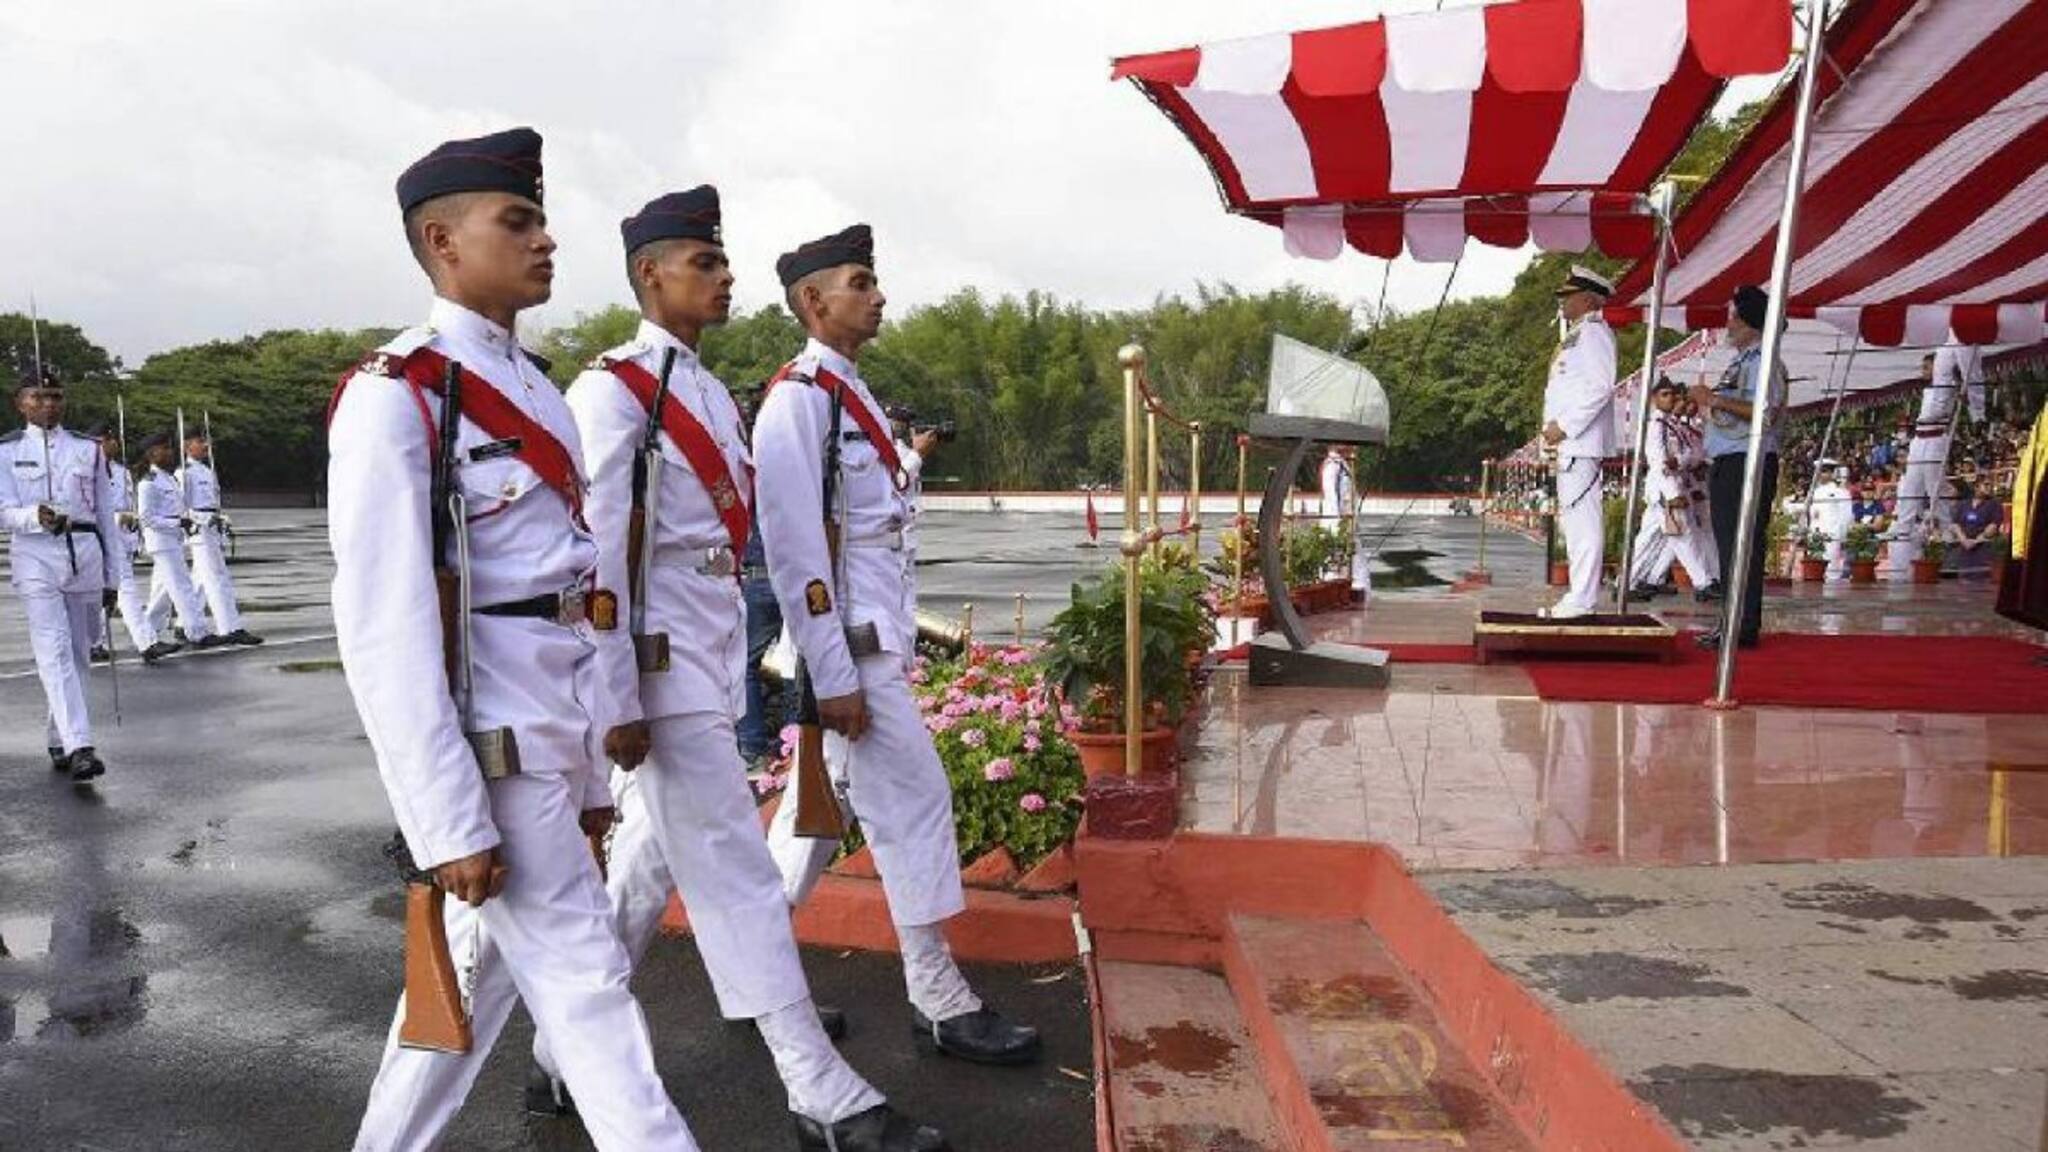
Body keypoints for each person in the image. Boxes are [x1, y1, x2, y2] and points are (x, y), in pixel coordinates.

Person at [534, 187, 944, 1152]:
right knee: (740, 879)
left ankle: (560, 1053)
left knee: (647, 866)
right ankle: (819, 1091)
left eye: (722, 262)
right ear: (650, 275)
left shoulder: (711, 395)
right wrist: (615, 696)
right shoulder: (612, 391)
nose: (724, 278)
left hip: (705, 664)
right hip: (657, 673)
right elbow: (601, 561)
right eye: (705, 263)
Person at [329, 126, 697, 1152]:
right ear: (442, 242)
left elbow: (575, 599)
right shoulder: (396, 396)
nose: (546, 239)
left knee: (468, 991)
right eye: (518, 219)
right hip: (491, 752)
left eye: (541, 218)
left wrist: (592, 774)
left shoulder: (536, 389)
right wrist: (444, 820)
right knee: (589, 993)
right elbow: (385, 630)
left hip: (553, 734)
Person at [755, 224, 1041, 1066]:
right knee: (916, 801)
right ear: (814, 300)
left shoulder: (853, 396)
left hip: (876, 639)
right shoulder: (798, 401)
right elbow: (797, 551)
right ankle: (937, 998)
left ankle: (753, 974)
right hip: (849, 651)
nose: (878, 296)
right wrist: (832, 670)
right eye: (860, 282)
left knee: (813, 824)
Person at [1, 367, 120, 782]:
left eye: (55, 397)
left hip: (84, 554)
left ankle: (59, 735)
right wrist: (34, 516)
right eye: (38, 397)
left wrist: (113, 577)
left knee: (79, 653)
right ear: (20, 404)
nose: (48, 404)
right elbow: (2, 511)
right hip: (35, 556)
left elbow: (105, 515)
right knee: (53, 650)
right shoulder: (7, 451)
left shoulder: (88, 449)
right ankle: (80, 745)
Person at [1688, 284, 1785, 650]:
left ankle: (1741, 624)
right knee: (1730, 546)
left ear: (1750, 323)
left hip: (1748, 458)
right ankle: (1733, 620)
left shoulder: (1764, 361)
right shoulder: (1743, 361)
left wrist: (1714, 400)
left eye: (1734, 318)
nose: (1728, 325)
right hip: (1730, 457)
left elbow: (1764, 411)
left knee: (1742, 544)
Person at [1539, 266, 1617, 619]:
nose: (1563, 302)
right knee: (1574, 522)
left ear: (1586, 300)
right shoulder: (1578, 334)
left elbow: (1600, 387)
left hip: (1580, 441)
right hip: (1572, 443)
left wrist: (1566, 426)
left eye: (1568, 296)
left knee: (1583, 522)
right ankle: (1578, 594)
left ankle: (1583, 598)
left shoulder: (1594, 333)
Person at [90, 427, 176, 664]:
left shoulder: (122, 472)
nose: (113, 443)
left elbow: (130, 506)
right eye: (107, 439)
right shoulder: (86, 470)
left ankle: (94, 643)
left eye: (113, 439)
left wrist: (134, 535)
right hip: (100, 537)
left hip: (123, 537)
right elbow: (87, 509)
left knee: (107, 592)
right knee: (125, 590)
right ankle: (147, 643)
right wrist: (117, 518)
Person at [1626, 377, 1718, 598]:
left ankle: (1627, 583)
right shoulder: (1657, 426)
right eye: (1665, 395)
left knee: (1649, 539)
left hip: (1673, 485)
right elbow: (1659, 461)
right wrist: (1672, 493)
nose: (1671, 399)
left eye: (1672, 395)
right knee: (1683, 535)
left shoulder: (1670, 425)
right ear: (1654, 399)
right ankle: (1703, 583)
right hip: (1664, 489)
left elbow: (1689, 455)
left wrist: (1681, 461)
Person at [177, 429, 262, 645]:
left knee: (200, 580)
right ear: (187, 445)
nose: (205, 445)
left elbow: (213, 502)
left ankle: (184, 623)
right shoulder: (183, 472)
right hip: (199, 530)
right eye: (199, 441)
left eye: (206, 441)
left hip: (212, 528)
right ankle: (230, 627)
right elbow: (181, 509)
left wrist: (219, 518)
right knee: (217, 578)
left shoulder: (207, 471)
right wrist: (206, 519)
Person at [138, 432, 217, 651]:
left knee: (162, 592)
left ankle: (146, 633)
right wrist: (177, 523)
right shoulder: (148, 483)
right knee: (182, 587)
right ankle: (197, 633)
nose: (169, 452)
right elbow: (147, 518)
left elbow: (178, 508)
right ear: (152, 453)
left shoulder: (169, 478)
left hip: (173, 540)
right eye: (164, 449)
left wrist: (187, 521)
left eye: (169, 448)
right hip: (161, 542)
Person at [1945, 480, 2003, 578]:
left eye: (1990, 485)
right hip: (1964, 550)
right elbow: (1955, 524)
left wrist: (1976, 541)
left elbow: (1993, 526)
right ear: (1976, 487)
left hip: (1983, 549)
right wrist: (1963, 539)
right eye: (1986, 484)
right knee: (1964, 577)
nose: (1989, 487)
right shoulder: (1964, 504)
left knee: (1981, 578)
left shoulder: (1994, 505)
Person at [1809, 459, 1854, 581]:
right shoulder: (1815, 491)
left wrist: (1843, 536)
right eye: (1818, 471)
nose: (1820, 475)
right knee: (1815, 570)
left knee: (1832, 570)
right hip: (1816, 534)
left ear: (1831, 473)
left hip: (1832, 534)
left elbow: (1846, 516)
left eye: (1823, 471)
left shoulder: (1840, 492)